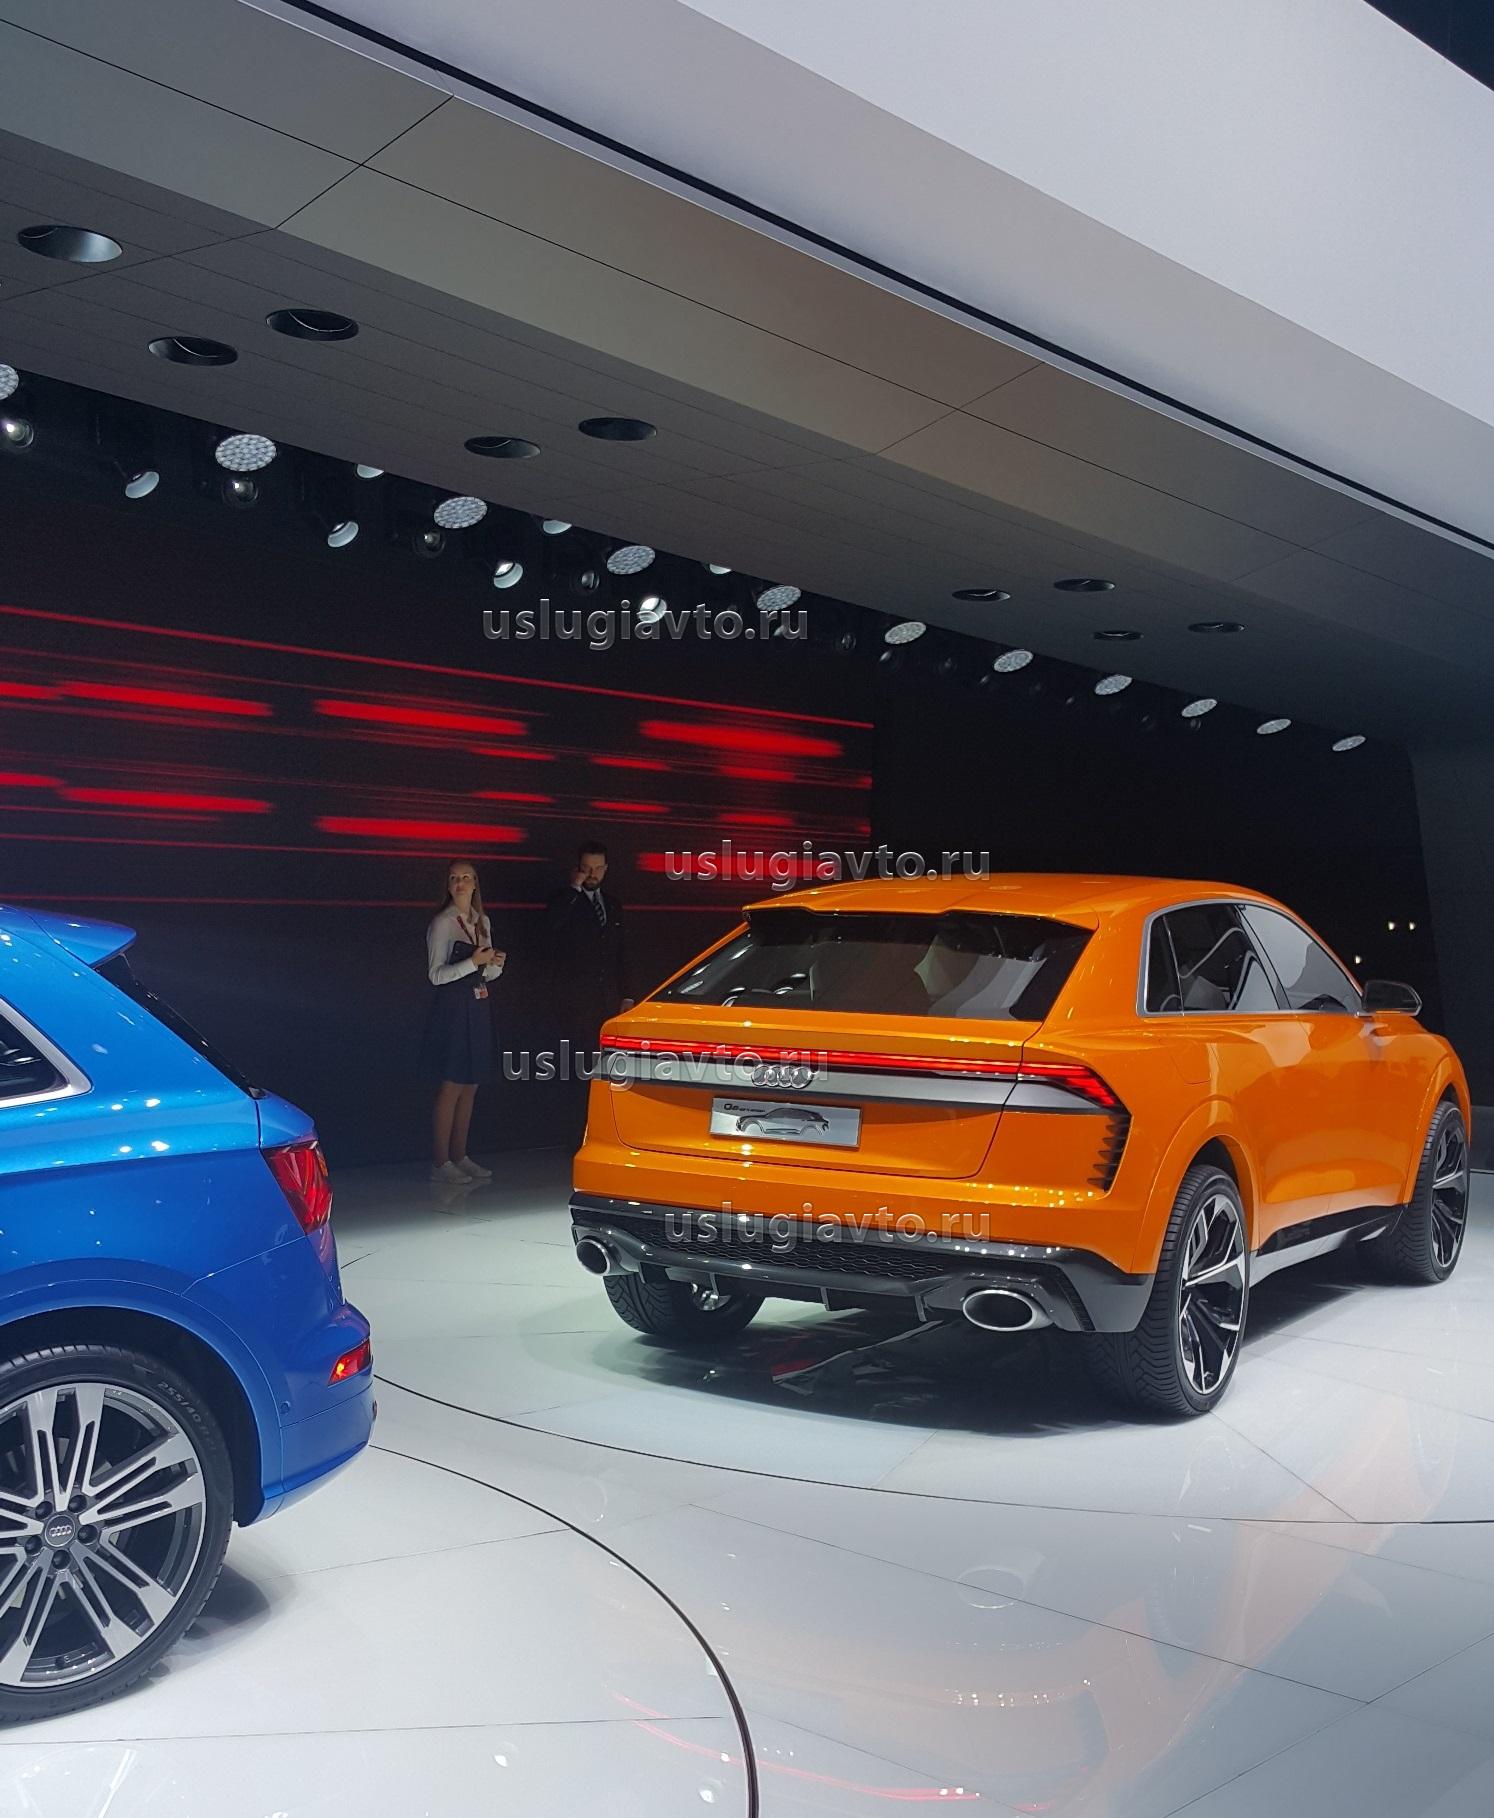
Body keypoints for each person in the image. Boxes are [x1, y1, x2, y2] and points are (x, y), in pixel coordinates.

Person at [420, 858, 505, 1184]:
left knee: (471, 1083)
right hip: (453, 1007)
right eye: (454, 878)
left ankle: (460, 1155)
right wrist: (472, 962)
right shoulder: (442, 923)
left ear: (475, 884)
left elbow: (487, 973)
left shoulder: (482, 921)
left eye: (466, 877)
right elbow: (436, 975)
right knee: (452, 1083)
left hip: (477, 1004)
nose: (460, 883)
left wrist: (495, 965)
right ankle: (441, 1161)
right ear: (448, 885)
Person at [546, 839, 632, 1133]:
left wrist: (627, 995)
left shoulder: (613, 904)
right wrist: (574, 889)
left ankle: (602, 1131)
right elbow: (551, 927)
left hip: (606, 1001)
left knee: (607, 1069)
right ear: (577, 869)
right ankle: (575, 1134)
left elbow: (621, 953)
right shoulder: (565, 900)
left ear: (606, 869)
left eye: (597, 868)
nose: (592, 874)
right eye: (586, 868)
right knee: (578, 1069)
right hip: (575, 1003)